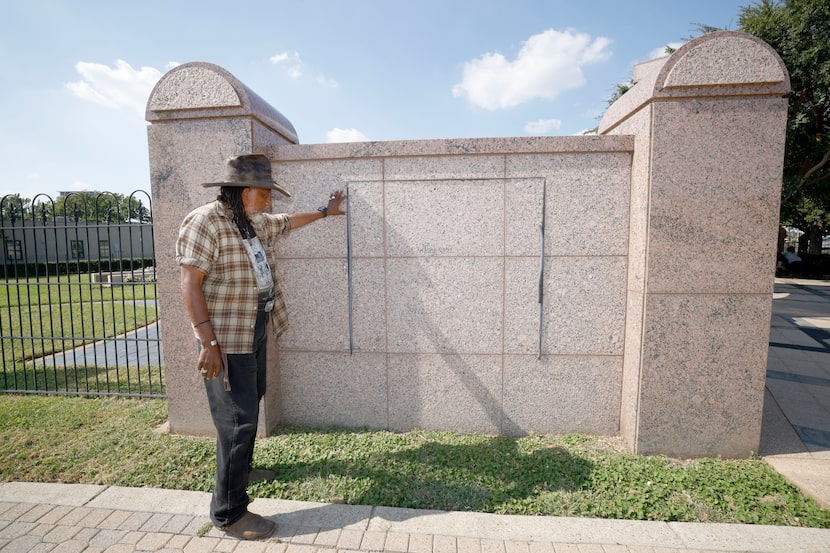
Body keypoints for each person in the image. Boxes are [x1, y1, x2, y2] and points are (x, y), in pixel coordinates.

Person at [176, 153, 346, 540]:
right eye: (265, 194)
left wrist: (325, 211)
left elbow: (287, 223)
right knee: (237, 423)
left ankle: (244, 469)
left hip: (253, 328)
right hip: (225, 338)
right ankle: (229, 512)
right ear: (244, 190)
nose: (270, 202)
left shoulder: (249, 222)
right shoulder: (205, 221)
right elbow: (189, 283)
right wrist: (208, 342)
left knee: (251, 403)